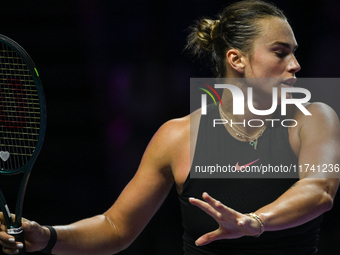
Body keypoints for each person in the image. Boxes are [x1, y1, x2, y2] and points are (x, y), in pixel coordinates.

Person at [0, 0, 339, 254]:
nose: (295, 65)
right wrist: (48, 236)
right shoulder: (178, 136)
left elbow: (320, 190)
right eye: (280, 53)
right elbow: (116, 227)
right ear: (237, 59)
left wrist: (255, 222)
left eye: (294, 53)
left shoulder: (314, 118)